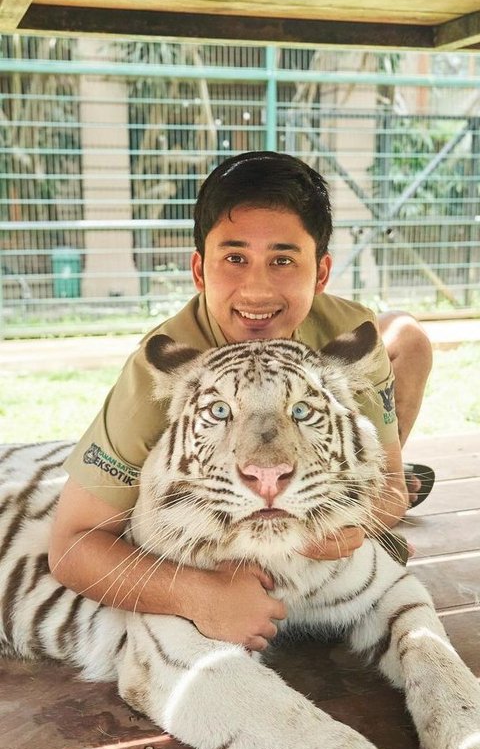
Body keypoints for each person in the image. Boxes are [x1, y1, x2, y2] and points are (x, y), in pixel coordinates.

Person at [49, 151, 433, 652]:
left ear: (320, 273)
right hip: (204, 496)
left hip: (308, 466)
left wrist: (351, 519)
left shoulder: (349, 332)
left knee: (411, 338)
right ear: (199, 270)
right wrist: (197, 594)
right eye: (234, 259)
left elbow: (389, 490)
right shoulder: (159, 371)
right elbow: (71, 545)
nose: (256, 288)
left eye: (282, 260)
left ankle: (330, 474)